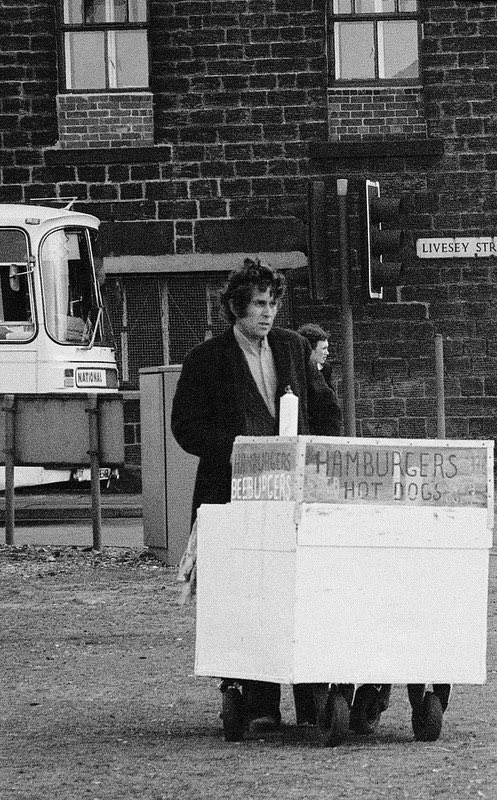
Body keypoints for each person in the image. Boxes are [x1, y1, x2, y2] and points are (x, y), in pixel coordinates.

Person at [171, 258, 343, 734]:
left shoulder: (292, 347)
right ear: (235, 307)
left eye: (273, 304)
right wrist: (239, 452)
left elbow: (324, 408)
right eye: (258, 305)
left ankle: (312, 702)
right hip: (230, 493)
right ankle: (257, 701)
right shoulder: (206, 358)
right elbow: (185, 427)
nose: (267, 314)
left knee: (301, 585)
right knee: (245, 591)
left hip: (293, 492)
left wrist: (321, 457)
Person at [297, 322, 334, 388]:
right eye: (323, 348)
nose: (327, 352)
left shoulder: (326, 369)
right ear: (310, 349)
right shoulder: (294, 370)